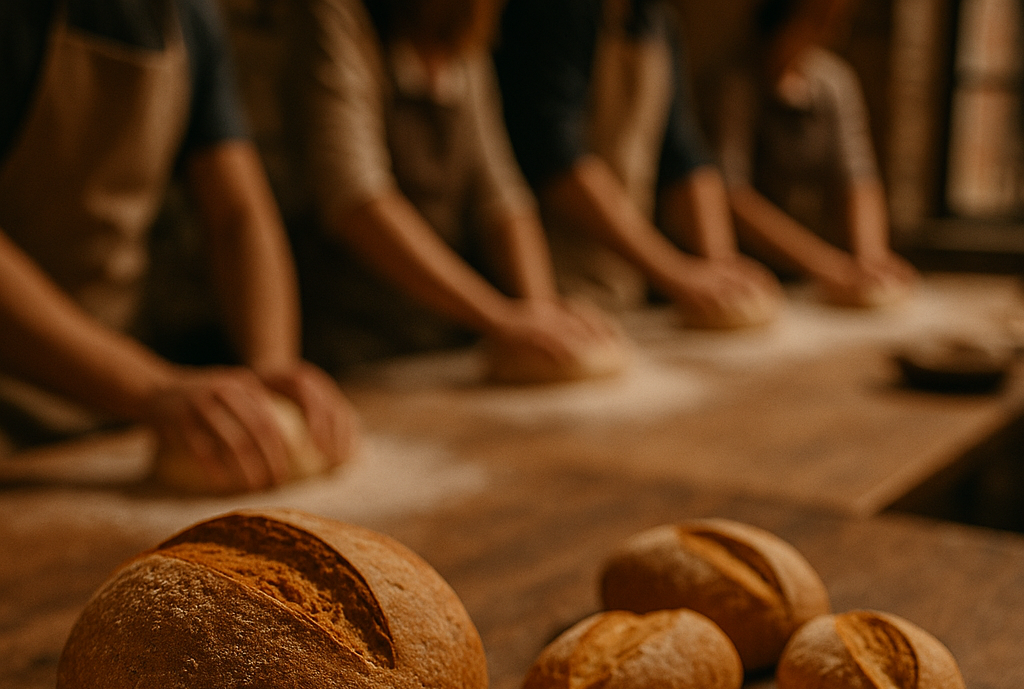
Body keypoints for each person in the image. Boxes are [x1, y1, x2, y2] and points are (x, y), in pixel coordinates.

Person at [0, 0, 358, 494]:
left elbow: (239, 217)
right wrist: (150, 387)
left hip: (105, 414)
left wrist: (271, 364)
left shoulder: (188, 17)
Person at [298, 0, 628, 384]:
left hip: (443, 345)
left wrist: (540, 310)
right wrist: (499, 316)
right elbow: (355, 196)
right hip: (351, 353)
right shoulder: (341, 15)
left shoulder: (461, 35)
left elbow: (501, 194)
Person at [494, 0, 781, 328]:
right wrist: (676, 272)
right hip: (549, 282)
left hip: (626, 279)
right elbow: (555, 161)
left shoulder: (655, 20)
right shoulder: (554, 12)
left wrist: (720, 262)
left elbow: (683, 157)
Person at [715, 0, 916, 306]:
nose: (836, 20)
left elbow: (858, 178)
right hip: (744, 271)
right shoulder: (736, 81)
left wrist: (870, 256)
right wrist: (826, 265)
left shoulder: (833, 82)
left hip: (815, 273)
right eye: (824, 12)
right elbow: (732, 194)